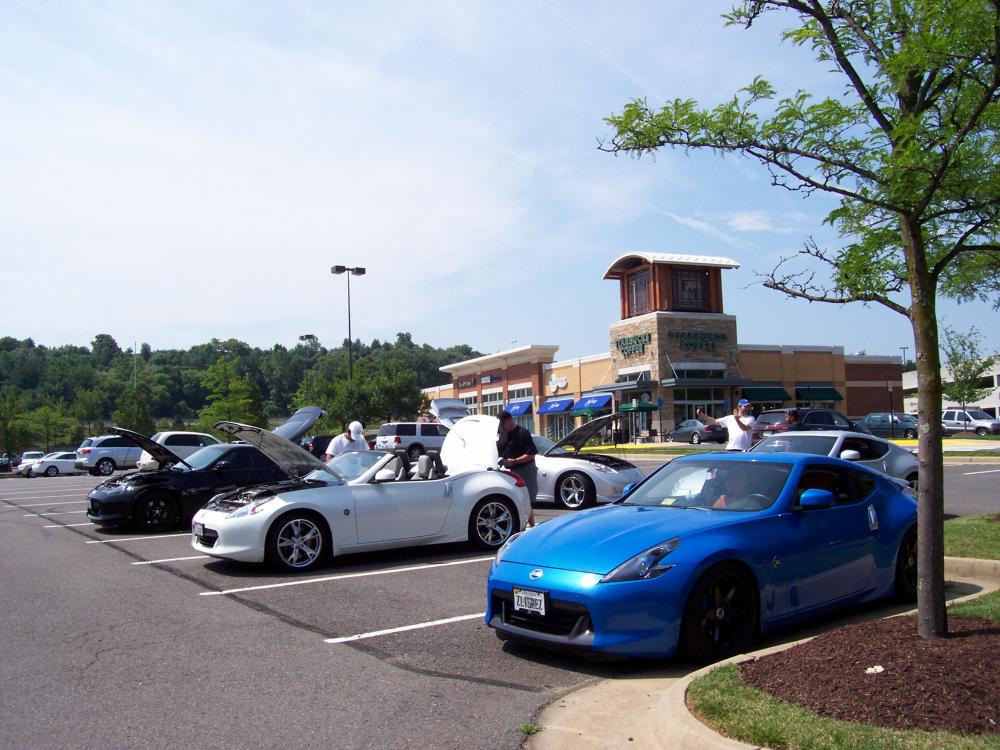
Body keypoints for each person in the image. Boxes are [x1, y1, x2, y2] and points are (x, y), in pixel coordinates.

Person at [496, 410, 537, 528]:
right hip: (508, 471)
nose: (501, 427)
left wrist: (514, 461)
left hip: (524, 469)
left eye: (502, 424)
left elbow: (531, 453)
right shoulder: (503, 434)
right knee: (514, 499)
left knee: (526, 500)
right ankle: (519, 526)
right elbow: (498, 450)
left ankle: (532, 527)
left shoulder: (523, 433)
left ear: (509, 421)